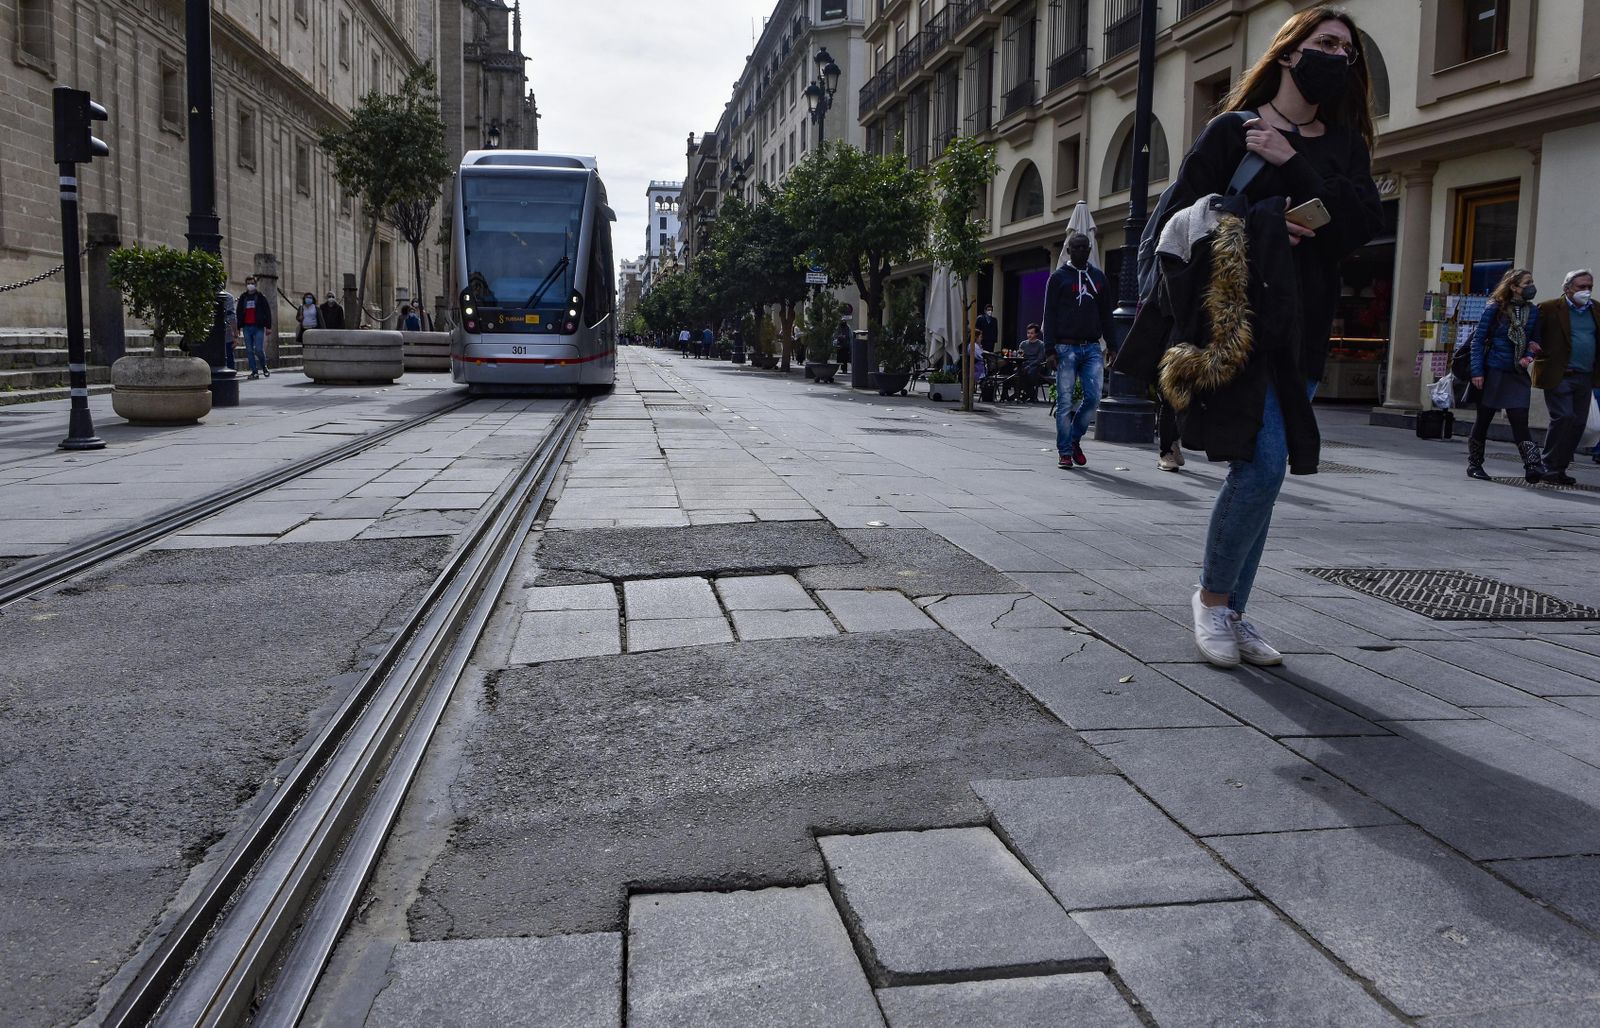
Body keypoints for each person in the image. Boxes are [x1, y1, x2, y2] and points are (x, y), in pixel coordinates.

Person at [1114, 5, 1383, 668]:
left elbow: (1356, 228)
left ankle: (1232, 609)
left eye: (1346, 51)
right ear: (1289, 52)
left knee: (1268, 476)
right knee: (1259, 468)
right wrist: (1261, 223)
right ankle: (1212, 602)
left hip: (1306, 329)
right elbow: (1183, 222)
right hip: (1238, 324)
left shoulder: (1344, 144)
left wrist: (1292, 161)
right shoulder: (1232, 131)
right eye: (1325, 43)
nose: (1338, 57)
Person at [1042, 231, 1113, 469]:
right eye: (1077, 247)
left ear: (1090, 250)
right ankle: (1064, 452)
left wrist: (1112, 345)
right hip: (1065, 347)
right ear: (1069, 250)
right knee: (1064, 402)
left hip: (1091, 346)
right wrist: (1049, 349)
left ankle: (1073, 439)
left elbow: (1107, 314)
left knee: (1093, 398)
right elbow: (1049, 314)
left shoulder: (1099, 278)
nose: (1082, 251)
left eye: (1085, 247)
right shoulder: (1058, 278)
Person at [1467, 269, 1544, 483]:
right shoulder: (1495, 308)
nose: (1531, 287)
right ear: (1513, 287)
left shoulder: (1533, 311)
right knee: (1484, 419)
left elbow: (1535, 340)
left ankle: (1532, 465)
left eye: (1532, 282)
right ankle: (1475, 464)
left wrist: (1528, 356)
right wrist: (1477, 371)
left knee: (1520, 420)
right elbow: (1478, 340)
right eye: (1527, 283)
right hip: (1493, 371)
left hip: (1517, 374)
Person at [1533, 269, 1596, 485]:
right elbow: (1534, 336)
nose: (1586, 291)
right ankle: (1549, 465)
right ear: (1567, 288)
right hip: (1560, 374)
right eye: (1581, 287)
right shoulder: (1549, 308)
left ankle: (1560, 468)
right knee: (1564, 417)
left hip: (1585, 375)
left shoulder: (1596, 309)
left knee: (1578, 423)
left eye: (1590, 287)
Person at [236, 276, 274, 380]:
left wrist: (268, 327)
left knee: (259, 349)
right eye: (248, 283)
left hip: (258, 327)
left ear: (255, 284)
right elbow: (239, 312)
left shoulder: (260, 297)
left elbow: (267, 311)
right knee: (249, 350)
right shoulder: (243, 297)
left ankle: (264, 366)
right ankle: (254, 371)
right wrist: (238, 327)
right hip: (247, 327)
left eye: (252, 283)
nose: (250, 285)